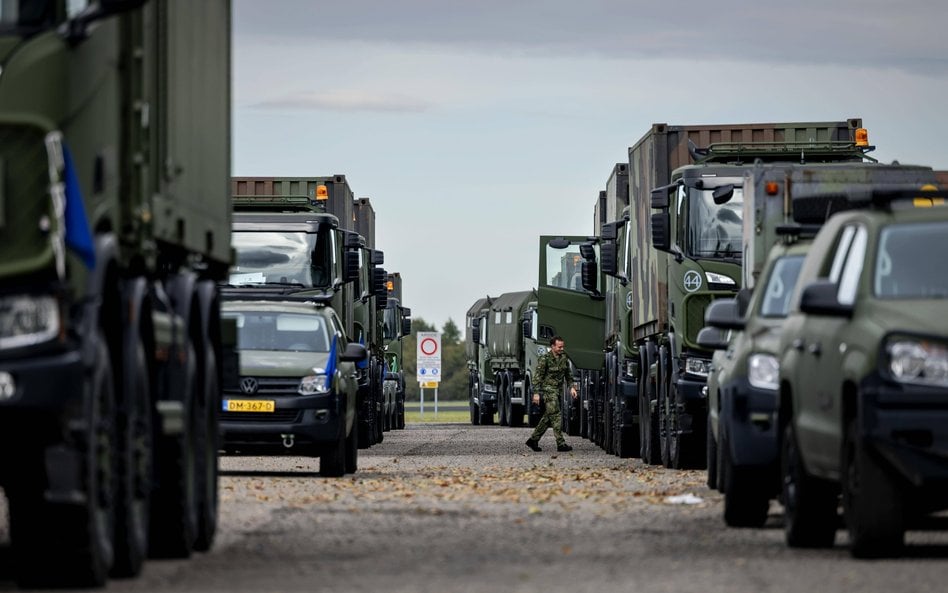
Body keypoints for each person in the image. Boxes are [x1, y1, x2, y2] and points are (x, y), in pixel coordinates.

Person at [525, 335, 577, 452]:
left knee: (548, 417)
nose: (561, 349)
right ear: (552, 347)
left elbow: (568, 375)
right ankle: (561, 443)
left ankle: (533, 440)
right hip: (548, 391)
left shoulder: (564, 358)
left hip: (558, 391)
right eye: (559, 347)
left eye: (562, 347)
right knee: (556, 415)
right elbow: (537, 377)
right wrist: (536, 393)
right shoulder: (544, 359)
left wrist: (572, 388)